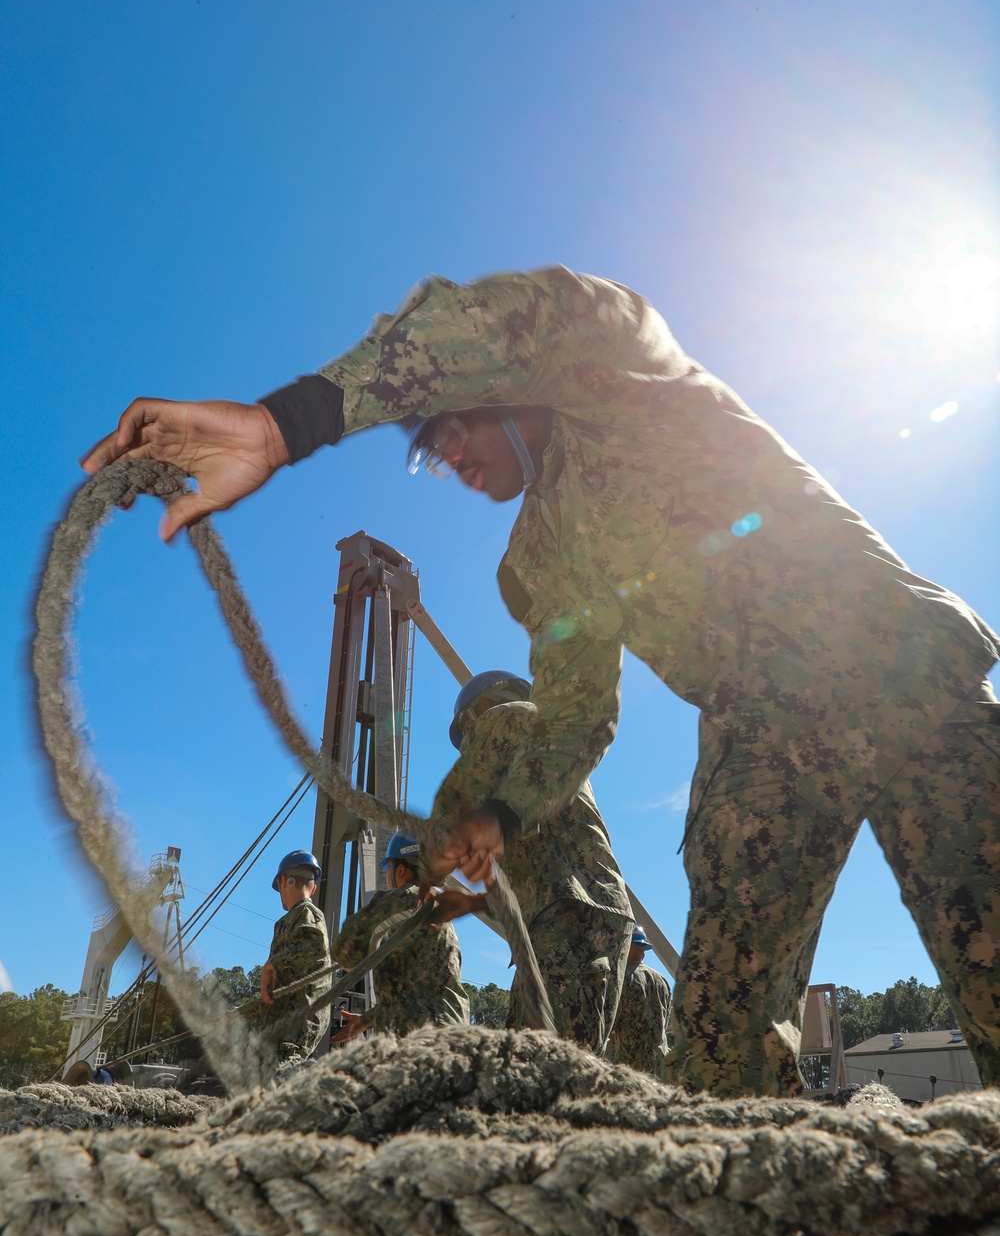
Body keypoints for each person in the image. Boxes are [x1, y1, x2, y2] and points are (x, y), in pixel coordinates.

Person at [81, 266, 1000, 1096]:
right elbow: (576, 718)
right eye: (427, 452)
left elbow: (502, 320)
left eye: (449, 429)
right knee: (719, 1054)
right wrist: (495, 819)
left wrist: (285, 426)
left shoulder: (627, 382)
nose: (448, 461)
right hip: (759, 750)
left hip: (895, 673)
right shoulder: (538, 560)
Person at [431, 670, 633, 1056]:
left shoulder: (510, 717)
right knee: (549, 1071)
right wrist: (475, 902)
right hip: (571, 916)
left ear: (478, 713)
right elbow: (535, 858)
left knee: (542, 1070)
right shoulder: (531, 754)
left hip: (568, 915)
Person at [330, 833, 470, 1039]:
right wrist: (367, 1020)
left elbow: (347, 954)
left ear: (401, 869)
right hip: (452, 1036)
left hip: (418, 1042)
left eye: (389, 869)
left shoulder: (406, 897)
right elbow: (420, 991)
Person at [260, 850, 332, 1061]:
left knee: (283, 1072)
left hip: (298, 1022)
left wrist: (273, 963)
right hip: (285, 1020)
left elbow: (315, 946)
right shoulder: (288, 921)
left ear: (284, 881)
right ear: (314, 886)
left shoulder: (307, 913)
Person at [611, 927, 671, 1081]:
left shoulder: (621, 979)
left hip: (630, 1067)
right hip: (660, 1065)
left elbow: (610, 1025)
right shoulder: (662, 981)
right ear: (643, 952)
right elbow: (666, 1022)